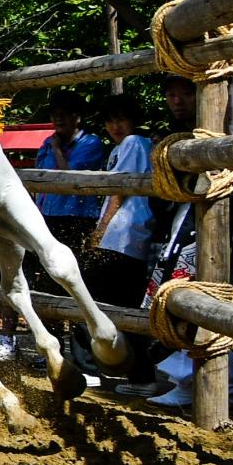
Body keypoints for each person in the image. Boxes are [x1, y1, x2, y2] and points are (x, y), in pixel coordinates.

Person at [29, 92, 107, 280]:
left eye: (64, 113)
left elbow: (69, 177)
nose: (58, 119)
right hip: (46, 215)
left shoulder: (90, 143)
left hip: (75, 217)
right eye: (54, 114)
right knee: (45, 268)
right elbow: (37, 176)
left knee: (70, 270)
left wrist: (57, 150)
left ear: (77, 117)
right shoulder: (48, 143)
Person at [87, 94, 155, 308]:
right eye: (110, 121)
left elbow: (119, 190)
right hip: (120, 235)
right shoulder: (119, 148)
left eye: (121, 120)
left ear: (134, 120)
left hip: (125, 231)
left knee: (114, 297)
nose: (115, 126)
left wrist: (100, 231)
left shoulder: (133, 142)